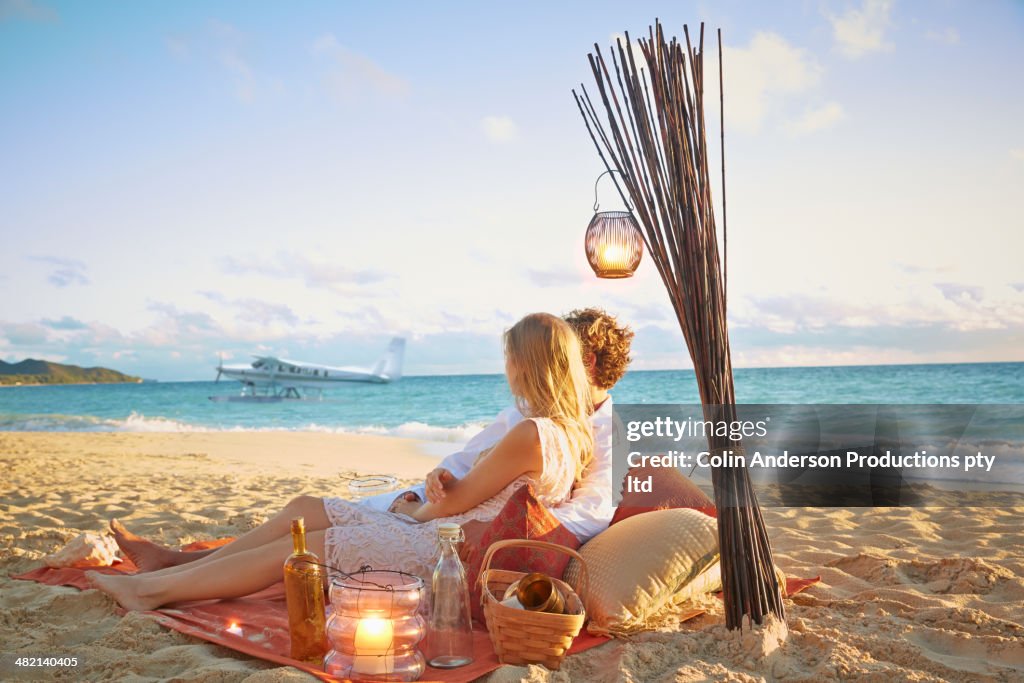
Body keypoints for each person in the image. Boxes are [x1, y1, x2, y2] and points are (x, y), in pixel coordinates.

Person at [88, 312, 594, 611]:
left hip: (445, 552)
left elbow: (458, 503)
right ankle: (175, 563)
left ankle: (153, 592)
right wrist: (437, 486)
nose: (505, 368)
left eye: (509, 358)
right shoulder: (569, 433)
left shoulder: (532, 432)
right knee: (306, 507)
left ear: (526, 364)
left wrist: (406, 511)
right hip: (446, 533)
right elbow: (481, 491)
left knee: (310, 546)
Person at [364, 307, 633, 546]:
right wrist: (431, 483)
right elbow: (464, 463)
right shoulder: (523, 413)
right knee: (360, 509)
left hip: (460, 532)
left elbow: (590, 514)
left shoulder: (610, 433)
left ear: (586, 361)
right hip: (438, 514)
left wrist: (502, 531)